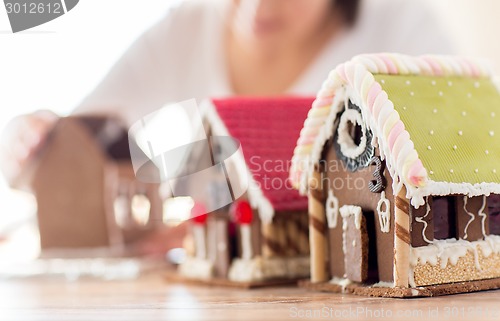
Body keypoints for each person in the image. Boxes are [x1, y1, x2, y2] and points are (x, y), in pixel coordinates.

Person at [0, 0, 453, 254]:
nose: (257, 5)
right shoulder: (184, 28)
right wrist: (28, 138)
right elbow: (71, 145)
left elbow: (459, 156)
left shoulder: (404, 31)